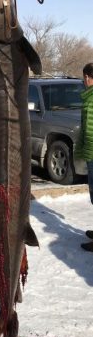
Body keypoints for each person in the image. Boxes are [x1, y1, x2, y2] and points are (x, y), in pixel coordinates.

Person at [75, 62, 93, 252]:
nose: (84, 81)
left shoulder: (91, 99)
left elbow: (90, 130)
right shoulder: (89, 98)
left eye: (85, 77)